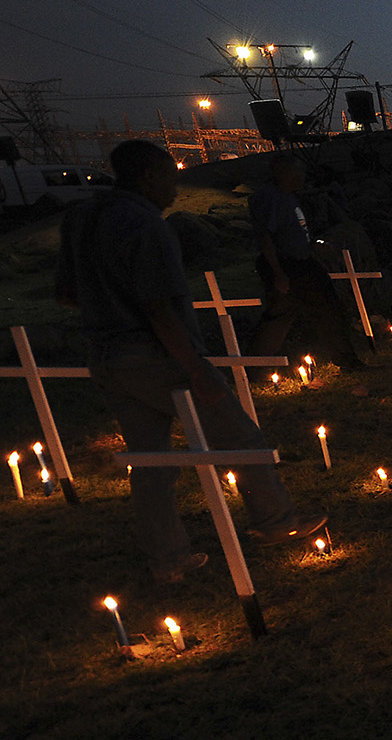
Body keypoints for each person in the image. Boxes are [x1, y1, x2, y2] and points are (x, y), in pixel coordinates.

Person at [56, 141, 326, 584]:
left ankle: (167, 558)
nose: (176, 189)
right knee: (238, 435)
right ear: (146, 176)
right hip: (157, 354)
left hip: (106, 357)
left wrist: (107, 307)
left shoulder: (81, 219)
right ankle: (276, 520)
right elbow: (159, 307)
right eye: (170, 177)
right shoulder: (145, 225)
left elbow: (66, 293)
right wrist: (199, 372)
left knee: (150, 461)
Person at [249, 156, 367, 369]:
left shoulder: (288, 197)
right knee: (295, 312)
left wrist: (312, 244)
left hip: (300, 259)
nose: (301, 178)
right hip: (289, 265)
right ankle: (254, 365)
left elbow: (291, 231)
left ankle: (254, 365)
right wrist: (278, 272)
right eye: (297, 174)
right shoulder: (270, 199)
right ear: (285, 174)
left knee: (295, 312)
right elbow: (266, 237)